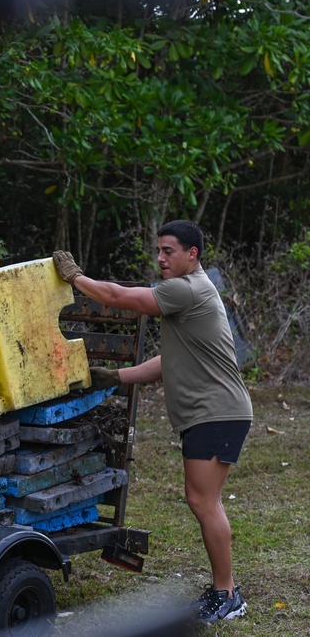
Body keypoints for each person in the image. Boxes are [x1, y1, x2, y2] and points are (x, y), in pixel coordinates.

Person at [53, 220, 252, 625]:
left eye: (169, 251)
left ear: (192, 255)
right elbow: (169, 362)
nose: (160, 258)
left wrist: (76, 277)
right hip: (214, 413)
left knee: (203, 501)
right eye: (158, 250)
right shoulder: (193, 296)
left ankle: (227, 593)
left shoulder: (188, 288)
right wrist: (115, 378)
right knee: (202, 501)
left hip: (218, 412)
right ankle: (224, 590)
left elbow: (119, 296)